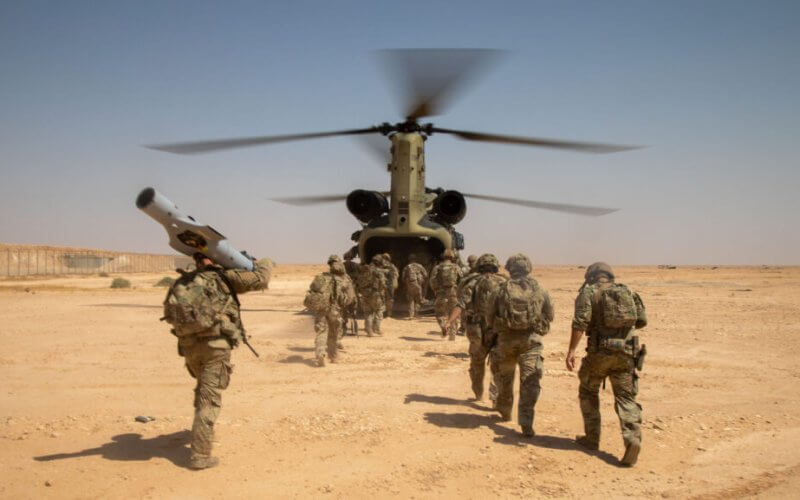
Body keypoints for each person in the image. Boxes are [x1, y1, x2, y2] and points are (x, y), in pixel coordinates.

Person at [162, 252, 270, 470]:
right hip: (215, 347)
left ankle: (201, 432)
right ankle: (200, 455)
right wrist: (262, 262)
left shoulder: (183, 281)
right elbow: (262, 279)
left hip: (190, 348)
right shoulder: (223, 278)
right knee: (209, 399)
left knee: (203, 389)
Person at [566, 262, 647, 466]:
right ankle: (632, 440)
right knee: (626, 398)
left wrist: (572, 350)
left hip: (599, 354)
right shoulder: (627, 290)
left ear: (591, 276)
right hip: (627, 353)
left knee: (588, 391)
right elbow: (641, 320)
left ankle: (592, 439)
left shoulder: (589, 293)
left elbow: (580, 323)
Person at [489, 253, 553, 437]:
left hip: (506, 343)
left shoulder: (501, 289)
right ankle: (526, 423)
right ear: (528, 268)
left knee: (505, 379)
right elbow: (550, 314)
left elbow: (489, 316)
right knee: (529, 382)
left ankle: (505, 412)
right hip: (531, 343)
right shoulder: (540, 289)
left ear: (509, 269)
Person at [444, 253, 505, 402]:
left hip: (476, 329)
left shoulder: (472, 283)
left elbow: (461, 305)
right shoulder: (504, 283)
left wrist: (449, 321)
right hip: (498, 329)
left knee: (477, 363)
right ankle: (495, 396)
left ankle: (478, 394)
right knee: (497, 363)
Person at [304, 255, 356, 366]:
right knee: (333, 334)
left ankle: (320, 354)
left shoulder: (322, 277)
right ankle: (333, 356)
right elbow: (349, 299)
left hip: (321, 309)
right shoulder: (344, 280)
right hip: (335, 310)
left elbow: (312, 289)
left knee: (321, 332)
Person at [429, 249, 463, 340]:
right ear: (452, 257)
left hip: (441, 292)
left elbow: (432, 280)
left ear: (443, 257)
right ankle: (452, 337)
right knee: (453, 313)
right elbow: (461, 280)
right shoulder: (456, 267)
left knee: (439, 313)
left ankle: (443, 325)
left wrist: (435, 290)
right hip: (453, 292)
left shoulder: (437, 267)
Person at [355, 255, 386, 336]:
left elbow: (357, 281)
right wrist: (381, 291)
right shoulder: (378, 271)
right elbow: (382, 283)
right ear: (379, 262)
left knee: (368, 313)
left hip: (364, 294)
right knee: (379, 311)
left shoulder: (364, 269)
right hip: (375, 294)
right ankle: (377, 329)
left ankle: (369, 331)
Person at [401, 253, 428, 318]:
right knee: (418, 300)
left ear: (409, 259)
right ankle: (416, 313)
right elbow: (425, 275)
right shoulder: (420, 266)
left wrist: (406, 284)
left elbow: (403, 277)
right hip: (418, 285)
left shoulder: (407, 267)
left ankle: (411, 315)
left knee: (411, 300)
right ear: (416, 259)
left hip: (410, 285)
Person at [377, 253, 399, 318]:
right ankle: (384, 314)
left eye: (385, 258)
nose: (384, 260)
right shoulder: (379, 266)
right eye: (383, 258)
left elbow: (396, 275)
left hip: (387, 285)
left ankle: (388, 314)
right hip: (383, 285)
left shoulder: (391, 266)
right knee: (383, 299)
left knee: (388, 300)